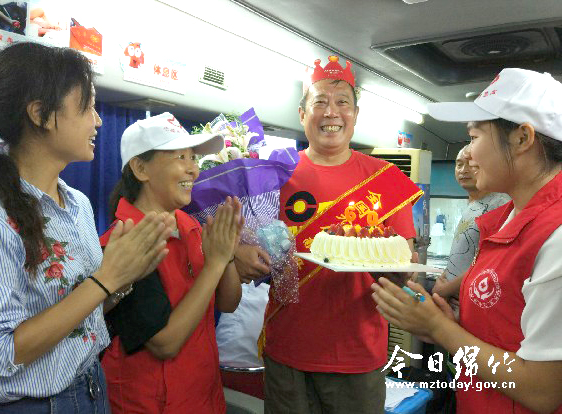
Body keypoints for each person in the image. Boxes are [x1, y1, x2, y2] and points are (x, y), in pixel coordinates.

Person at [0, 42, 172, 413]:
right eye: (87, 106)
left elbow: (80, 318)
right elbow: (0, 352)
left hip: (90, 387)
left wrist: (122, 280)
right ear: (40, 114)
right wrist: (105, 279)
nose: (98, 120)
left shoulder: (76, 204)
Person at [372, 68, 562, 414]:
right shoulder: (506, 219)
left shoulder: (555, 236)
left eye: (474, 138)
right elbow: (506, 330)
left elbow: (542, 389)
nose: (469, 155)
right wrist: (449, 325)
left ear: (522, 138)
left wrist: (440, 329)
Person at [236, 55, 420, 413]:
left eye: (342, 103)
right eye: (319, 102)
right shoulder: (274, 175)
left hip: (357, 356)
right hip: (287, 350)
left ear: (356, 114)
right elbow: (247, 248)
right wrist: (240, 256)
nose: (331, 112)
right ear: (302, 114)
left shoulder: (387, 179)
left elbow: (402, 267)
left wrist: (400, 274)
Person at [100, 113, 243, 413]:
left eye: (193, 158)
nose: (193, 169)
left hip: (205, 398)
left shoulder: (191, 226)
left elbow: (228, 303)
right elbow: (165, 343)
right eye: (180, 157)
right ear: (140, 168)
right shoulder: (122, 244)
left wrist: (227, 254)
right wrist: (216, 264)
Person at [431, 145, 510, 309]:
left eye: (472, 164)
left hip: (471, 301)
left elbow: (490, 263)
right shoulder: (474, 204)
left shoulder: (499, 205)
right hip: (454, 299)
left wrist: (445, 289)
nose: (463, 170)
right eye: (459, 164)